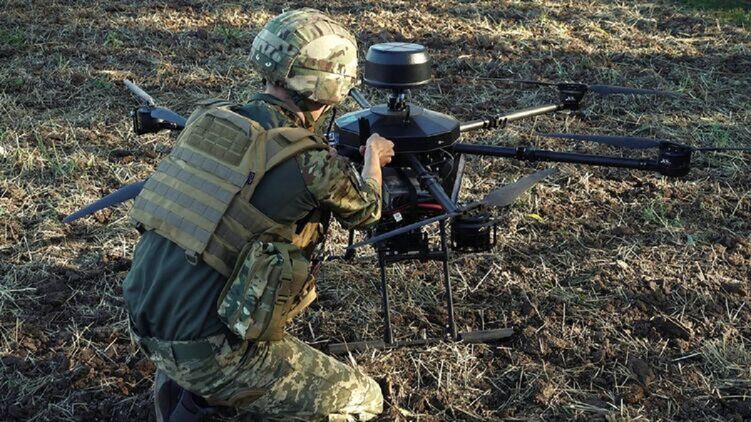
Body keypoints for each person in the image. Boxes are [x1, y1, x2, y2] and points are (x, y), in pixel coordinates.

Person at [122, 8, 395, 421]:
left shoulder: (210, 119)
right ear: (329, 84)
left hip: (144, 320)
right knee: (367, 400)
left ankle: (196, 395)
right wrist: (373, 157)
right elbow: (369, 211)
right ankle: (209, 395)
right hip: (207, 352)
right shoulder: (311, 163)